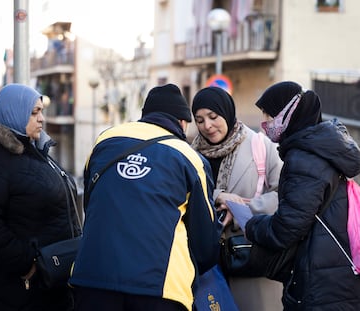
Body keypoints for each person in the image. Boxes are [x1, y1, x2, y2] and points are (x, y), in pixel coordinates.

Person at [69, 83, 221, 311]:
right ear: (182, 122)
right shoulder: (189, 157)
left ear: (146, 115)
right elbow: (205, 242)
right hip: (159, 289)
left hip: (91, 278)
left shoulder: (104, 141)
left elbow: (91, 204)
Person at [0, 83, 81, 311]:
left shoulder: (34, 151)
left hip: (48, 287)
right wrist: (29, 264)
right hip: (11, 291)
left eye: (41, 111)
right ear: (12, 111)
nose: (41, 119)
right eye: (34, 112)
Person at [245, 81, 360, 310]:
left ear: (289, 114)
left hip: (321, 283)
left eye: (270, 115)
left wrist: (252, 225)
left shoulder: (305, 158)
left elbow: (287, 228)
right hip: (334, 271)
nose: (265, 123)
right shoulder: (321, 148)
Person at [190, 86, 283, 311]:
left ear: (227, 112)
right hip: (206, 264)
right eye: (199, 120)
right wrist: (217, 196)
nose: (207, 126)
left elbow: (286, 194)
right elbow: (185, 194)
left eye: (213, 117)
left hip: (250, 255)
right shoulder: (190, 154)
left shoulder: (261, 146)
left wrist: (244, 208)